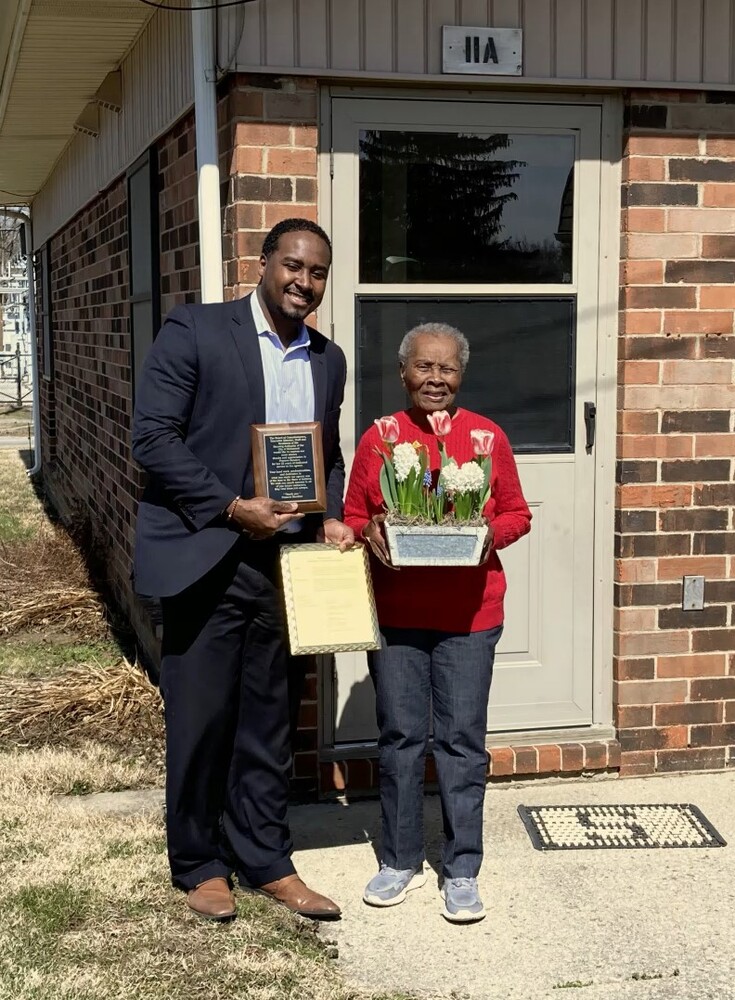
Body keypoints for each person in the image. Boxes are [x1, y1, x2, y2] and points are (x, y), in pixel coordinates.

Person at [132, 218, 353, 922]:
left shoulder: (327, 358)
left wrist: (333, 515)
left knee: (269, 721)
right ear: (261, 264)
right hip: (206, 552)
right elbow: (152, 439)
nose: (303, 282)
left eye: (317, 272)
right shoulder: (196, 331)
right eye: (292, 265)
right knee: (201, 720)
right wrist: (231, 507)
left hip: (284, 564)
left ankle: (265, 858)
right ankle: (199, 863)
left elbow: (329, 456)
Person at [344, 322, 531, 924]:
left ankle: (462, 868)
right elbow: (353, 514)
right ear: (403, 373)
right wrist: (367, 531)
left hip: (469, 617)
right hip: (398, 615)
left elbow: (516, 514)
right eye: (424, 367)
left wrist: (483, 536)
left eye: (447, 369)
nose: (436, 379)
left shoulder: (486, 438)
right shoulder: (381, 439)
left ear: (461, 375)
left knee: (460, 743)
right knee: (400, 740)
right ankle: (399, 859)